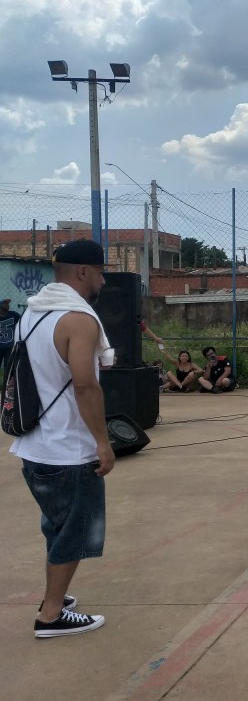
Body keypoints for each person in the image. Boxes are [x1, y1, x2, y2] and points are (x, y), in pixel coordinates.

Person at [12, 238, 114, 638]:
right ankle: (51, 615)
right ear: (84, 272)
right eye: (101, 273)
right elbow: (85, 386)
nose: (103, 281)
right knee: (74, 531)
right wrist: (103, 442)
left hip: (35, 446)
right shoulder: (79, 320)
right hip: (68, 450)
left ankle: (55, 596)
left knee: (57, 527)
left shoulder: (32, 313)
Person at [0, 297, 21, 372]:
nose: (7, 305)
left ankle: (6, 379)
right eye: (5, 303)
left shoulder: (13, 314)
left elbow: (22, 321)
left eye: (8, 303)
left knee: (8, 368)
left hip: (10, 345)